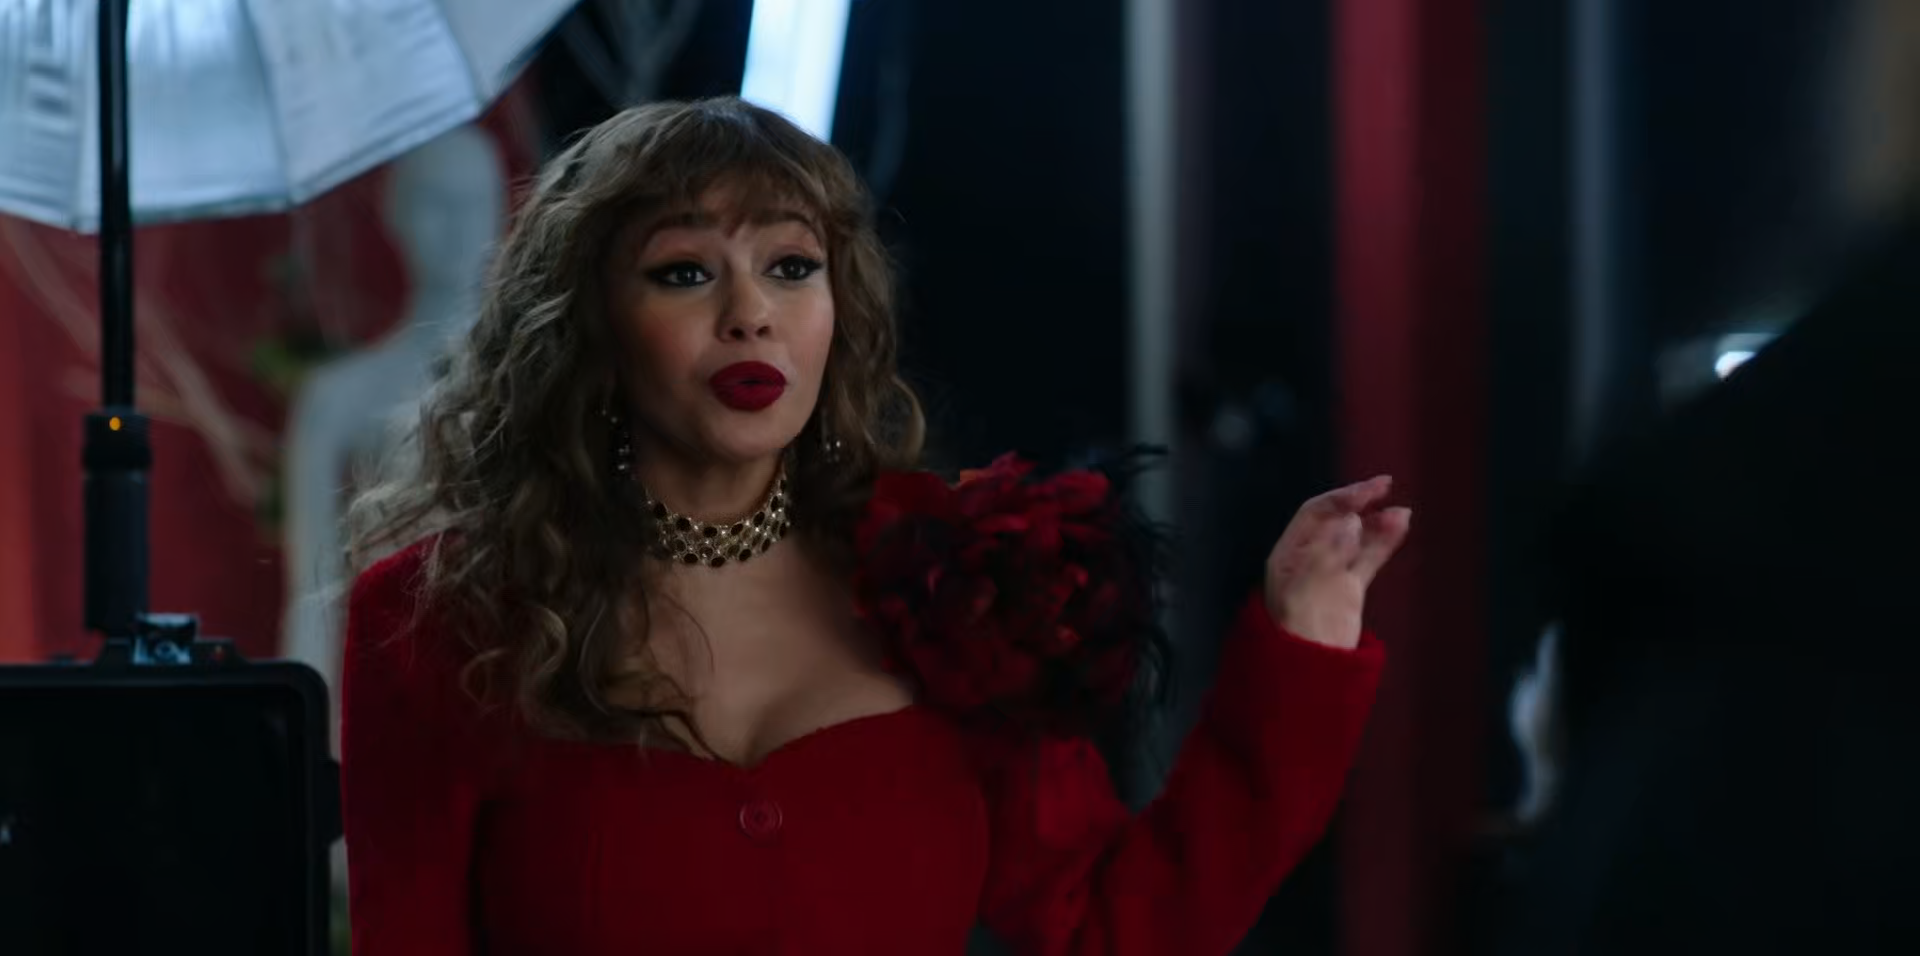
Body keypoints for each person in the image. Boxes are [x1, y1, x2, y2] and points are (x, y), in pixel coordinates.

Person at [338, 97, 1410, 956]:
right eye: (685, 272)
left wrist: (1303, 637)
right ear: (589, 328)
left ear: (838, 304)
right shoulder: (443, 618)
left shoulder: (959, 578)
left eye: (790, 266)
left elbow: (1115, 927)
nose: (750, 312)